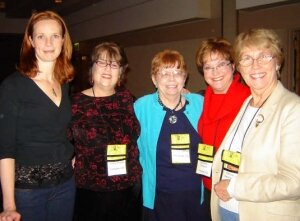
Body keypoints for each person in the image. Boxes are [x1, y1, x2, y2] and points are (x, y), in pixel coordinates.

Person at [212, 28, 300, 221]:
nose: (255, 65)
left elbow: (295, 182)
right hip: (229, 208)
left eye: (264, 56)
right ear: (239, 67)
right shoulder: (248, 104)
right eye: (247, 59)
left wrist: (234, 187)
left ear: (277, 62)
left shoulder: (293, 109)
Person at [0, 10, 75, 221]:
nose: (48, 42)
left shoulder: (64, 83)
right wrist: (8, 205)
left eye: (55, 35)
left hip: (66, 185)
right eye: (41, 36)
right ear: (31, 41)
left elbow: (61, 131)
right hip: (29, 192)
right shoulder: (13, 86)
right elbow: (5, 149)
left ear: (63, 40)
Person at [69, 42, 142, 221]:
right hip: (91, 190)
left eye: (114, 64)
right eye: (102, 62)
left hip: (129, 186)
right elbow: (58, 137)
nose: (108, 68)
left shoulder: (128, 99)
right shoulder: (75, 103)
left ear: (120, 72)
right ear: (92, 68)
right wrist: (70, 155)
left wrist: (181, 94)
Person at [134, 49, 206, 221]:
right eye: (164, 73)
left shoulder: (200, 103)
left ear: (185, 78)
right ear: (154, 79)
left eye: (177, 73)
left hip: (196, 196)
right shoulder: (141, 107)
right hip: (159, 198)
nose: (172, 79)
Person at [195, 38, 250, 220]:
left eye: (221, 64)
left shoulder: (249, 99)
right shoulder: (203, 100)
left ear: (233, 66)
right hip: (208, 185)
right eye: (208, 67)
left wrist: (235, 185)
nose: (215, 72)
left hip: (237, 192)